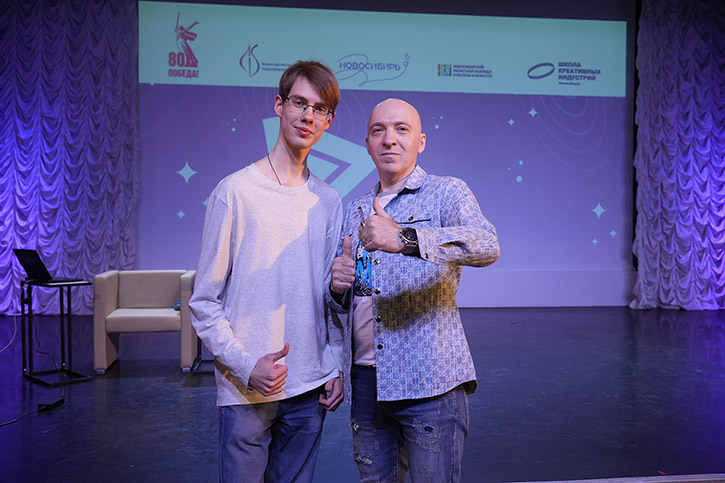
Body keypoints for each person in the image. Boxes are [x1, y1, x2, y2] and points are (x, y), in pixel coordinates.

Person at [328, 98, 501, 482]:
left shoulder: (447, 192)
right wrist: (338, 288)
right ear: (367, 144)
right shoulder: (356, 209)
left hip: (430, 384)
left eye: (401, 129)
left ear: (420, 141)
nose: (389, 139)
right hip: (367, 383)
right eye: (378, 130)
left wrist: (406, 238)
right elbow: (355, 296)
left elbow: (488, 245)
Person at [189, 60, 345, 483]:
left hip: (310, 386)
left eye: (319, 108)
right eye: (299, 103)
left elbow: (329, 300)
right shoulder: (235, 192)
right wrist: (245, 365)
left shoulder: (329, 200)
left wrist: (335, 364)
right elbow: (204, 301)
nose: (308, 116)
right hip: (246, 387)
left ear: (328, 121)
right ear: (279, 105)